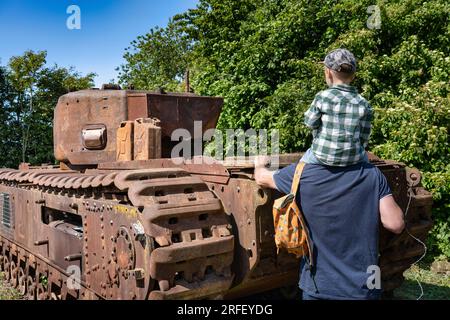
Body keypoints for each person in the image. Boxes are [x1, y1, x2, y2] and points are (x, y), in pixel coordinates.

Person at [254, 155, 405, 300]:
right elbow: (395, 224)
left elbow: (261, 178)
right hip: (364, 286)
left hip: (318, 285)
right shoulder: (372, 174)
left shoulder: (300, 173)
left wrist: (260, 164)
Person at [302, 48, 372, 166]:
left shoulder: (322, 97)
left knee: (300, 167)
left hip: (322, 155)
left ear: (328, 73)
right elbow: (364, 136)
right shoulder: (363, 103)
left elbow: (309, 123)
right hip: (354, 158)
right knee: (367, 163)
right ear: (353, 75)